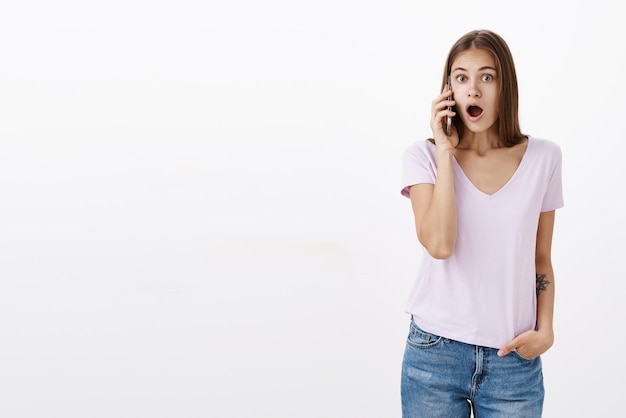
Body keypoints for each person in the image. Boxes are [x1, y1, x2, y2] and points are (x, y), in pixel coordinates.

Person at [399, 29, 563, 417]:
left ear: (505, 86)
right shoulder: (422, 157)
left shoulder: (544, 158)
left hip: (513, 362)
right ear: (448, 89)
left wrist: (546, 330)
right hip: (433, 357)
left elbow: (540, 258)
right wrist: (445, 153)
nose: (472, 90)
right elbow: (440, 245)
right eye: (461, 77)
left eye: (486, 77)